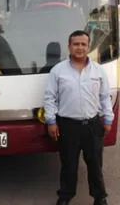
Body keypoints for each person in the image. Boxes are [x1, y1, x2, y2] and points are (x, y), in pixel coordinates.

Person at [43, 30, 113, 205]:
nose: (80, 47)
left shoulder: (98, 70)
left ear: (88, 46)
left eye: (83, 44)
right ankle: (65, 197)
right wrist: (51, 121)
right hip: (67, 126)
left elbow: (105, 97)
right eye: (76, 44)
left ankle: (100, 197)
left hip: (92, 125)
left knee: (95, 164)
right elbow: (50, 97)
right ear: (69, 46)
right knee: (69, 165)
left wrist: (108, 119)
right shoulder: (57, 71)